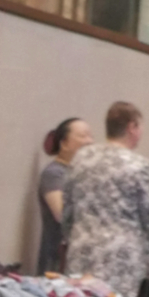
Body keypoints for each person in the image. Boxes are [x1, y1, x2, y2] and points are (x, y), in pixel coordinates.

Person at [61, 99, 149, 297]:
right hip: (121, 263)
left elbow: (67, 211)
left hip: (81, 257)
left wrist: (73, 238)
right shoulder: (139, 165)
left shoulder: (80, 159)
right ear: (132, 127)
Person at [36, 116, 90, 273]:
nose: (89, 141)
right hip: (58, 263)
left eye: (90, 136)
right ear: (64, 143)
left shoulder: (82, 173)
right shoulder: (54, 174)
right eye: (82, 136)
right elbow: (62, 214)